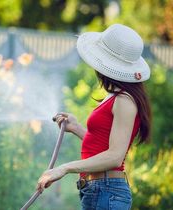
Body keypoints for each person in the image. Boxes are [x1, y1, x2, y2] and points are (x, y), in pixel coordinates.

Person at [36, 24, 152, 210]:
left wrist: (64, 168)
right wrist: (77, 128)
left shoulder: (124, 101)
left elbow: (115, 156)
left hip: (107, 192)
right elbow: (105, 145)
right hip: (98, 190)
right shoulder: (115, 96)